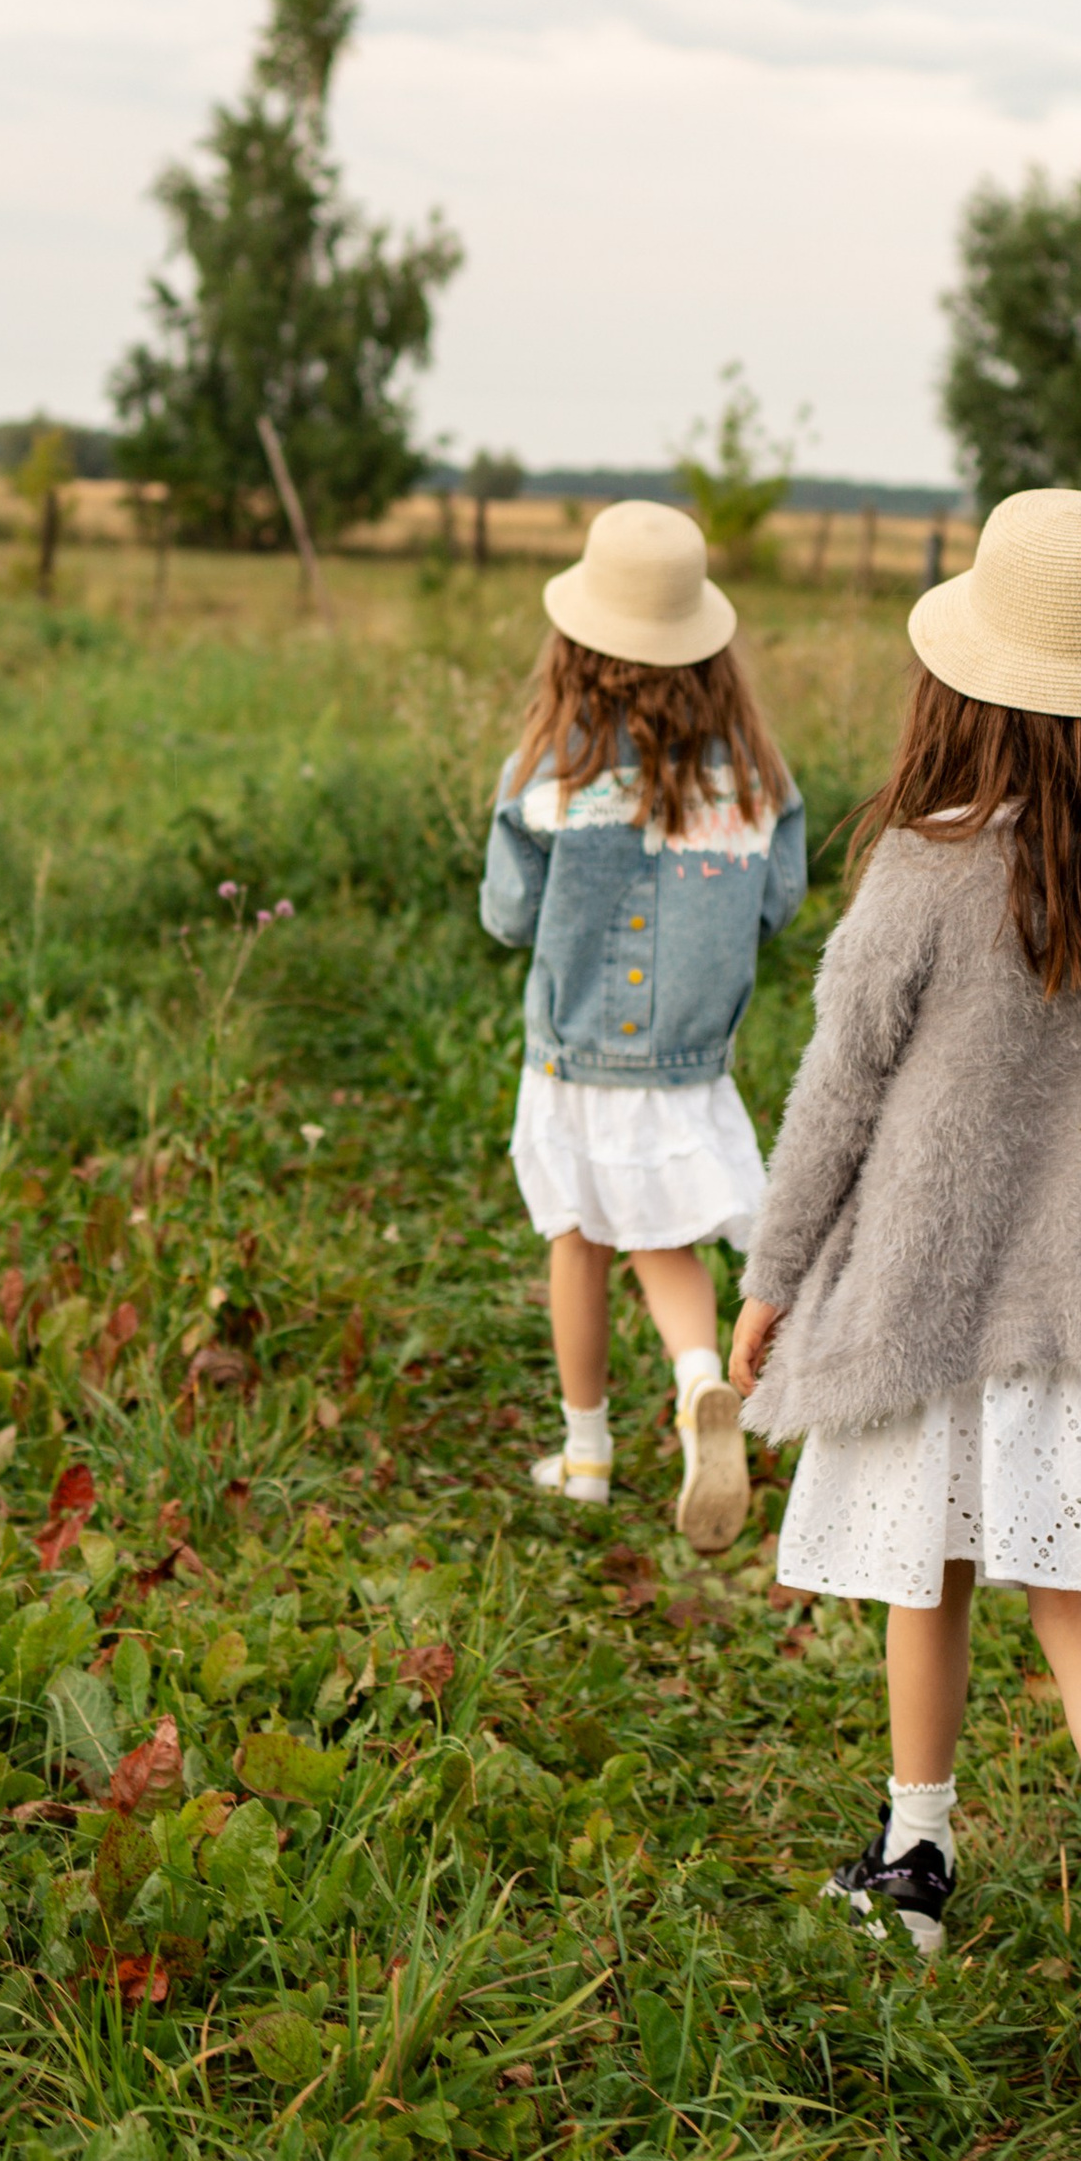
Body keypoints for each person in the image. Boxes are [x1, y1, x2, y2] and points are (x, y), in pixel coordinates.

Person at [730, 486, 1081, 2076]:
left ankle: (915, 1864)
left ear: (964, 684)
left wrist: (770, 1279)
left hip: (934, 1305)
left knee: (927, 1582)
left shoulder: (928, 871)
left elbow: (837, 1098)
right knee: (1075, 1604)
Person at [483, 499, 807, 1557]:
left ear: (575, 644)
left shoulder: (551, 767)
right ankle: (699, 1380)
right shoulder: (754, 772)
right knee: (664, 1240)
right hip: (685, 1062)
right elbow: (778, 902)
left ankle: (584, 1455)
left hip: (574, 1051)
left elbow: (507, 914)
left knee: (577, 1240)